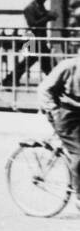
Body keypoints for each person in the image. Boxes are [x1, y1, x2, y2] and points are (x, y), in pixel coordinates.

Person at [39, 56, 80, 195]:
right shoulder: (68, 66)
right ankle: (79, 195)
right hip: (64, 114)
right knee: (79, 153)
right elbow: (44, 88)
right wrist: (53, 111)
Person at [8, 0, 57, 86]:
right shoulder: (30, 8)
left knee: (39, 61)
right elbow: (33, 24)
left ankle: (10, 80)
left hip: (40, 39)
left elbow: (42, 17)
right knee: (38, 61)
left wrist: (50, 15)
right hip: (33, 38)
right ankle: (57, 81)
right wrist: (48, 17)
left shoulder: (40, 6)